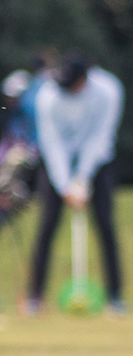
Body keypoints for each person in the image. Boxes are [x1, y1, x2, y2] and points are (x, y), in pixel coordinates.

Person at [25, 54, 124, 315]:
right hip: (57, 164)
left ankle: (115, 298)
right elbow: (51, 143)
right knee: (47, 224)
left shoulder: (109, 90)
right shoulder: (47, 96)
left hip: (97, 161)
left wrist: (83, 177)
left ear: (84, 79)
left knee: (106, 225)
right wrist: (66, 186)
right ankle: (34, 298)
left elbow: (101, 136)